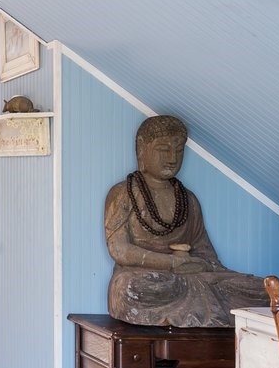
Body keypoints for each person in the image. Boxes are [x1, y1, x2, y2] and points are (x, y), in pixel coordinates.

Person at [104, 115, 268, 326]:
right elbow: (119, 249)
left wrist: (196, 264)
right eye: (164, 149)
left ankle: (197, 306)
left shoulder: (187, 199)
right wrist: (171, 263)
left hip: (189, 277)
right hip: (146, 277)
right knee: (133, 288)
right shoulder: (123, 193)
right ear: (142, 149)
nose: (172, 158)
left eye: (179, 150)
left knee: (261, 288)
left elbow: (206, 253)